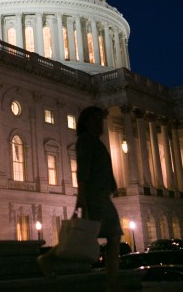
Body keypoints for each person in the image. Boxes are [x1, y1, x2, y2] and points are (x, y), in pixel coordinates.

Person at [38, 106, 122, 291]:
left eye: (101, 120)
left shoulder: (96, 142)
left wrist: (112, 187)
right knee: (95, 236)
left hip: (101, 196)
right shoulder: (85, 140)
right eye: (96, 120)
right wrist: (82, 200)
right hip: (94, 198)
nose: (100, 124)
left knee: (111, 236)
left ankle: (112, 282)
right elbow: (82, 171)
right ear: (86, 122)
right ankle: (47, 258)